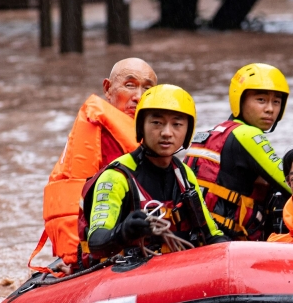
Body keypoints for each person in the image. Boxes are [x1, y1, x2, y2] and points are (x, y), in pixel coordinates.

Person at [30, 58, 157, 271]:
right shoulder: (103, 135)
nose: (139, 96)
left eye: (148, 88)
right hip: (96, 247)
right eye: (130, 85)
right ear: (107, 89)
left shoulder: (143, 135)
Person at [79, 84, 226, 261]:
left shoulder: (184, 175)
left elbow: (211, 234)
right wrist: (124, 231)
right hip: (126, 274)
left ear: (188, 132)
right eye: (157, 123)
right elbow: (96, 243)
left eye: (177, 124)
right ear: (141, 127)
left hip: (176, 270)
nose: (166, 133)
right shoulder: (117, 176)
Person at [185, 63, 291, 240]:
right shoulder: (247, 135)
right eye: (261, 100)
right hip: (227, 242)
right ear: (239, 101)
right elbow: (291, 183)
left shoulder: (216, 133)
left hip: (197, 237)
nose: (270, 109)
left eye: (276, 102)